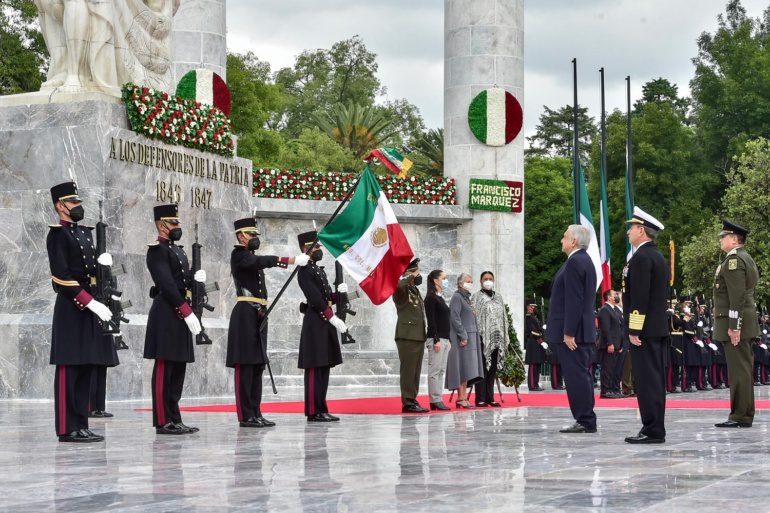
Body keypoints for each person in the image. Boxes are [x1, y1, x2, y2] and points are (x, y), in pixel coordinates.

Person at [47, 181, 117, 443]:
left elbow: (92, 272)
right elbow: (61, 277)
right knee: (70, 369)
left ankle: (81, 424)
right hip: (72, 308)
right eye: (72, 202)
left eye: (78, 201)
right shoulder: (57, 235)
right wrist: (88, 301)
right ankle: (67, 427)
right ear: (60, 206)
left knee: (87, 365)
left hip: (91, 307)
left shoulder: (86, 234)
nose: (78, 206)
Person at [226, 217, 310, 428]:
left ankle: (256, 412)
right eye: (251, 235)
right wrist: (290, 260)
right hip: (245, 313)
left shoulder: (249, 256)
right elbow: (259, 262)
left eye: (256, 235)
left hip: (259, 313)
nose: (255, 238)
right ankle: (246, 415)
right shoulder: (239, 256)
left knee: (257, 364)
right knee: (245, 365)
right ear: (241, 236)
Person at [144, 204, 205, 435]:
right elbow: (167, 285)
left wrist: (195, 278)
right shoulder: (157, 251)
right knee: (164, 367)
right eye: (173, 223)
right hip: (166, 313)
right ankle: (162, 420)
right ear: (162, 224)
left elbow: (182, 281)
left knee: (178, 368)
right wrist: (185, 310)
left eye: (178, 222)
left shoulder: (177, 251)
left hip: (181, 313)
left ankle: (175, 417)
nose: (178, 226)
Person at [622, 206, 668, 444]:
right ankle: (654, 426)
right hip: (656, 328)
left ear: (641, 230)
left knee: (647, 380)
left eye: (631, 227)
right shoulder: (657, 255)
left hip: (645, 331)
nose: (628, 231)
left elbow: (639, 298)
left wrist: (634, 329)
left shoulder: (641, 257)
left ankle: (652, 429)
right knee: (655, 379)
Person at [547, 225, 598, 434]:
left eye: (565, 236)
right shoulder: (583, 260)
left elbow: (574, 300)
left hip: (573, 334)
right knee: (580, 375)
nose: (561, 240)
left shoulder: (576, 262)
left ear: (574, 241)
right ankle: (585, 418)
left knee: (576, 376)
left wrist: (568, 332)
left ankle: (585, 419)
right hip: (580, 330)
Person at [296, 231, 347, 422]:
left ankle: (321, 407)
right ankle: (312, 410)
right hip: (315, 322)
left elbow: (325, 297)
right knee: (314, 368)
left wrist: (339, 294)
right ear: (305, 248)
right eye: (315, 247)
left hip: (324, 322)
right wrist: (331, 317)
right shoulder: (304, 271)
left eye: (319, 247)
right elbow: (315, 299)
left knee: (324, 366)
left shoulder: (319, 270)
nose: (319, 250)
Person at [713, 220, 759, 428]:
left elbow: (736, 296)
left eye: (724, 236)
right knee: (743, 369)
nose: (721, 240)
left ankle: (740, 415)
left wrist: (734, 326)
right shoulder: (744, 258)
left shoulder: (734, 261)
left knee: (739, 370)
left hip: (735, 324)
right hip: (742, 321)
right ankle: (744, 413)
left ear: (734, 239)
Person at [393, 258, 428, 413]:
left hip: (418, 336)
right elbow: (398, 285)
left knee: (415, 371)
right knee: (408, 371)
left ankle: (412, 399)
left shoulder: (414, 290)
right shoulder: (402, 290)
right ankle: (407, 402)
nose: (419, 275)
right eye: (416, 272)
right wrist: (409, 275)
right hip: (407, 336)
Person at [446, 273, 483, 408]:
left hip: (471, 337)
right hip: (462, 338)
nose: (470, 283)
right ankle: (460, 397)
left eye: (471, 281)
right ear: (460, 283)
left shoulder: (467, 298)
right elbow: (455, 317)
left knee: (467, 368)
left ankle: (464, 396)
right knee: (461, 367)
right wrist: (463, 335)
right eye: (468, 281)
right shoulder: (457, 297)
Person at [471, 271, 508, 407]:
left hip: (496, 338)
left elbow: (503, 316)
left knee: (492, 368)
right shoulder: (476, 297)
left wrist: (503, 335)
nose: (488, 281)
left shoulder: (498, 297)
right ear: (480, 281)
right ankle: (480, 398)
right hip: (482, 337)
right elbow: (474, 317)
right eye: (485, 279)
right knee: (482, 369)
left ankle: (489, 397)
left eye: (490, 279)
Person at [424, 269, 451, 411]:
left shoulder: (440, 298)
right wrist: (436, 339)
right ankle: (434, 400)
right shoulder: (431, 298)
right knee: (434, 370)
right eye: (444, 278)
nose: (446, 280)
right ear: (435, 280)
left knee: (441, 370)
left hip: (445, 338)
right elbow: (431, 321)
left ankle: (438, 398)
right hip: (437, 338)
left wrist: (449, 340)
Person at [598, 290, 624, 398]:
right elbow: (606, 328)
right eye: (615, 295)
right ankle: (605, 391)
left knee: (613, 368)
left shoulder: (613, 309)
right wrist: (610, 343)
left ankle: (612, 389)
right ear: (609, 297)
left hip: (616, 344)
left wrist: (620, 344)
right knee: (607, 368)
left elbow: (618, 328)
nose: (617, 296)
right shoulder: (605, 309)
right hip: (609, 344)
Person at [524, 301, 547, 391]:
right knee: (533, 364)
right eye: (530, 307)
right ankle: (532, 385)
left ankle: (536, 384)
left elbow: (538, 328)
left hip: (537, 342)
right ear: (527, 308)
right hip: (533, 342)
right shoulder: (528, 317)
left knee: (537, 364)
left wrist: (542, 328)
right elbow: (532, 330)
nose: (532, 308)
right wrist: (540, 337)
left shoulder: (534, 317)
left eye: (533, 307)